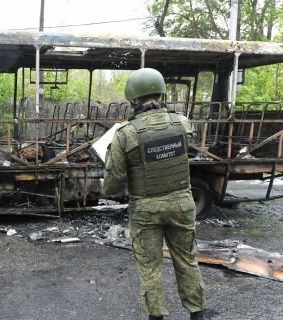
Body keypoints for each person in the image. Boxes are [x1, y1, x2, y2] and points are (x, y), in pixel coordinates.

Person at [102, 68, 206, 320]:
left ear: (134, 99)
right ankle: (197, 314)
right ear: (160, 93)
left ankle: (156, 317)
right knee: (187, 261)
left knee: (150, 268)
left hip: (145, 210)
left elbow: (113, 184)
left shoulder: (126, 133)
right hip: (182, 204)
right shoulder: (182, 123)